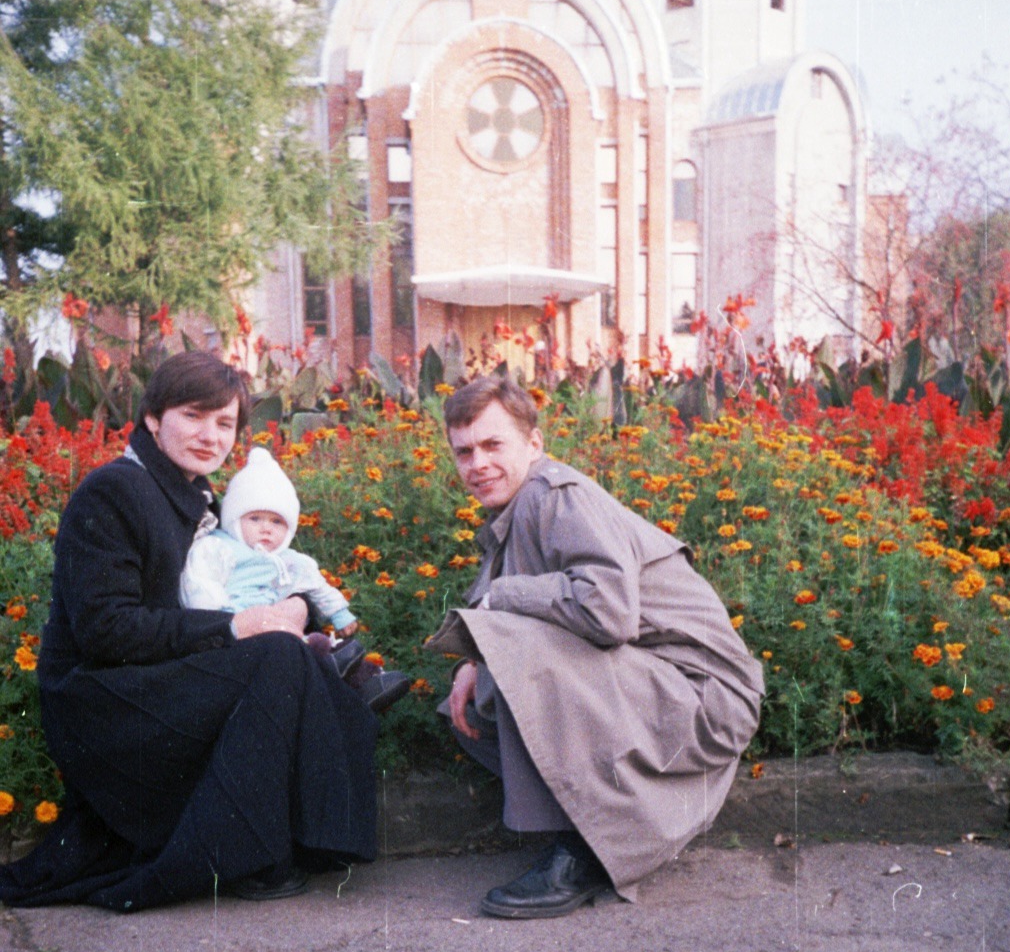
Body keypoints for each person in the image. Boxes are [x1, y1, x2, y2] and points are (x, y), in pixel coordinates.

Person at [0, 352, 378, 912]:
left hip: (152, 677)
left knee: (285, 651)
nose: (210, 436)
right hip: (99, 699)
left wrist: (297, 606)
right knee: (275, 658)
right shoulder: (113, 491)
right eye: (194, 415)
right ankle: (250, 855)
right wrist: (233, 628)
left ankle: (291, 842)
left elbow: (252, 577)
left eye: (225, 424)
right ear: (153, 418)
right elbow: (106, 630)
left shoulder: (194, 499)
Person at [428, 376, 764, 919]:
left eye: (494, 445)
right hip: (664, 686)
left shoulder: (554, 495)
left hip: (707, 697)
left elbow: (608, 613)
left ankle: (582, 855)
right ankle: (585, 825)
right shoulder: (517, 510)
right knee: (485, 687)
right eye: (464, 452)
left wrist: (499, 603)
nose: (477, 464)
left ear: (533, 445)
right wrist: (474, 659)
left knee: (520, 650)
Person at [179, 445, 410, 713]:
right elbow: (199, 583)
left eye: (277, 522)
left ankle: (365, 681)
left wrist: (340, 613)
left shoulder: (288, 558)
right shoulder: (219, 547)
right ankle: (335, 674)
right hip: (237, 626)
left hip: (279, 626)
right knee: (302, 647)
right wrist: (220, 620)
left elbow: (316, 584)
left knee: (313, 641)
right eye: (255, 518)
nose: (266, 528)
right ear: (234, 518)